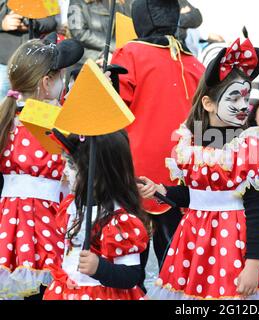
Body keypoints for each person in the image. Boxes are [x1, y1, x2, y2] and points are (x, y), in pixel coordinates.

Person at [138, 38, 259, 299]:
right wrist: (161, 190)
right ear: (208, 103)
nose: (243, 106)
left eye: (245, 96)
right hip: (194, 242)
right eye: (234, 97)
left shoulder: (249, 144)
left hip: (234, 244)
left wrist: (253, 263)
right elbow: (193, 196)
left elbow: (255, 208)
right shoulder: (189, 142)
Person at [110, 0, 204, 268]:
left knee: (129, 255)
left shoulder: (130, 53)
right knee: (173, 258)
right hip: (180, 170)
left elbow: (116, 109)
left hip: (136, 165)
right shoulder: (194, 62)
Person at [0, 38, 84, 299]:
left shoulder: (7, 119)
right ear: (47, 83)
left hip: (10, 218)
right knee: (49, 289)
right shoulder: (57, 123)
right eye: (60, 76)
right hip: (48, 218)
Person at [43, 131, 151, 300]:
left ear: (97, 172)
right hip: (66, 292)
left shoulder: (119, 219)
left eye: (71, 165)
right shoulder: (71, 206)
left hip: (104, 294)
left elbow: (132, 275)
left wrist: (99, 268)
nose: (64, 171)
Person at [0, 1, 57, 99]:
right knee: (3, 106)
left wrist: (31, 22)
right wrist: (2, 23)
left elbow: (52, 22)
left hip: (32, 62)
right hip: (4, 63)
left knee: (29, 103)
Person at [67, 0, 132, 67]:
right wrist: (113, 46)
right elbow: (80, 34)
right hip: (87, 61)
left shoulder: (116, 3)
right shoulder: (77, 2)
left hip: (111, 59)